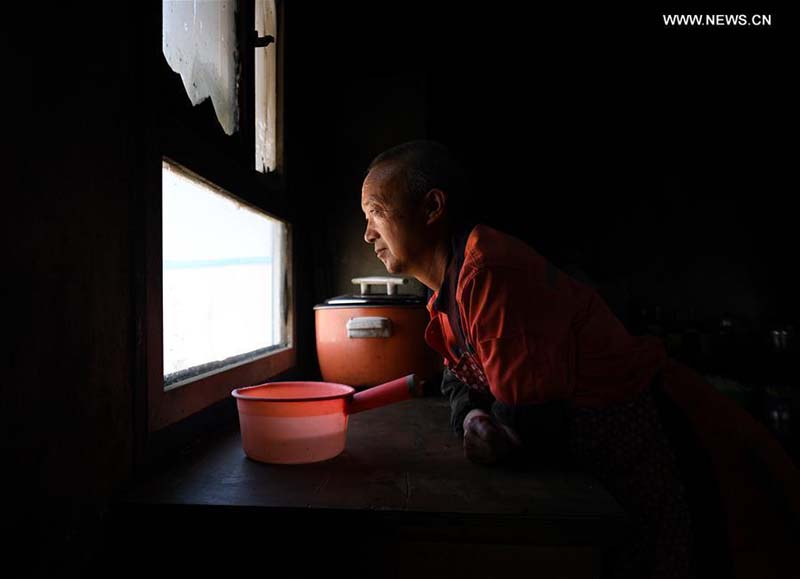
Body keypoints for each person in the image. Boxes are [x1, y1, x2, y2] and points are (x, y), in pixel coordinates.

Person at [360, 140, 800, 579]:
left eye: (376, 212)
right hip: (581, 455)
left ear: (433, 206)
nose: (368, 234)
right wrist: (474, 416)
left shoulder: (487, 270)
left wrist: (493, 425)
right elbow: (461, 382)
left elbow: (528, 412)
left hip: (638, 434)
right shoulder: (445, 295)